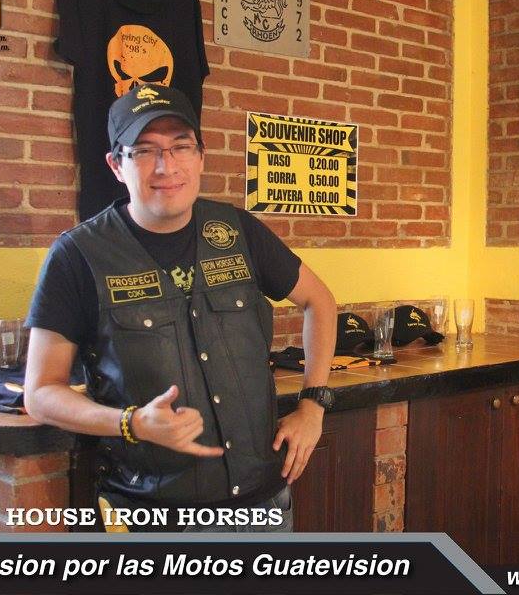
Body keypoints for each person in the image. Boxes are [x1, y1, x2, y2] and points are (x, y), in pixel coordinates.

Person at [24, 83, 337, 532]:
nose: (166, 166)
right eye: (144, 150)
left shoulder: (237, 230)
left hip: (265, 506)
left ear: (201, 156)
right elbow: (40, 393)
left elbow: (319, 301)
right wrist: (131, 423)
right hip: (153, 520)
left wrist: (314, 404)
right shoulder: (77, 256)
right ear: (116, 165)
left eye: (180, 146)